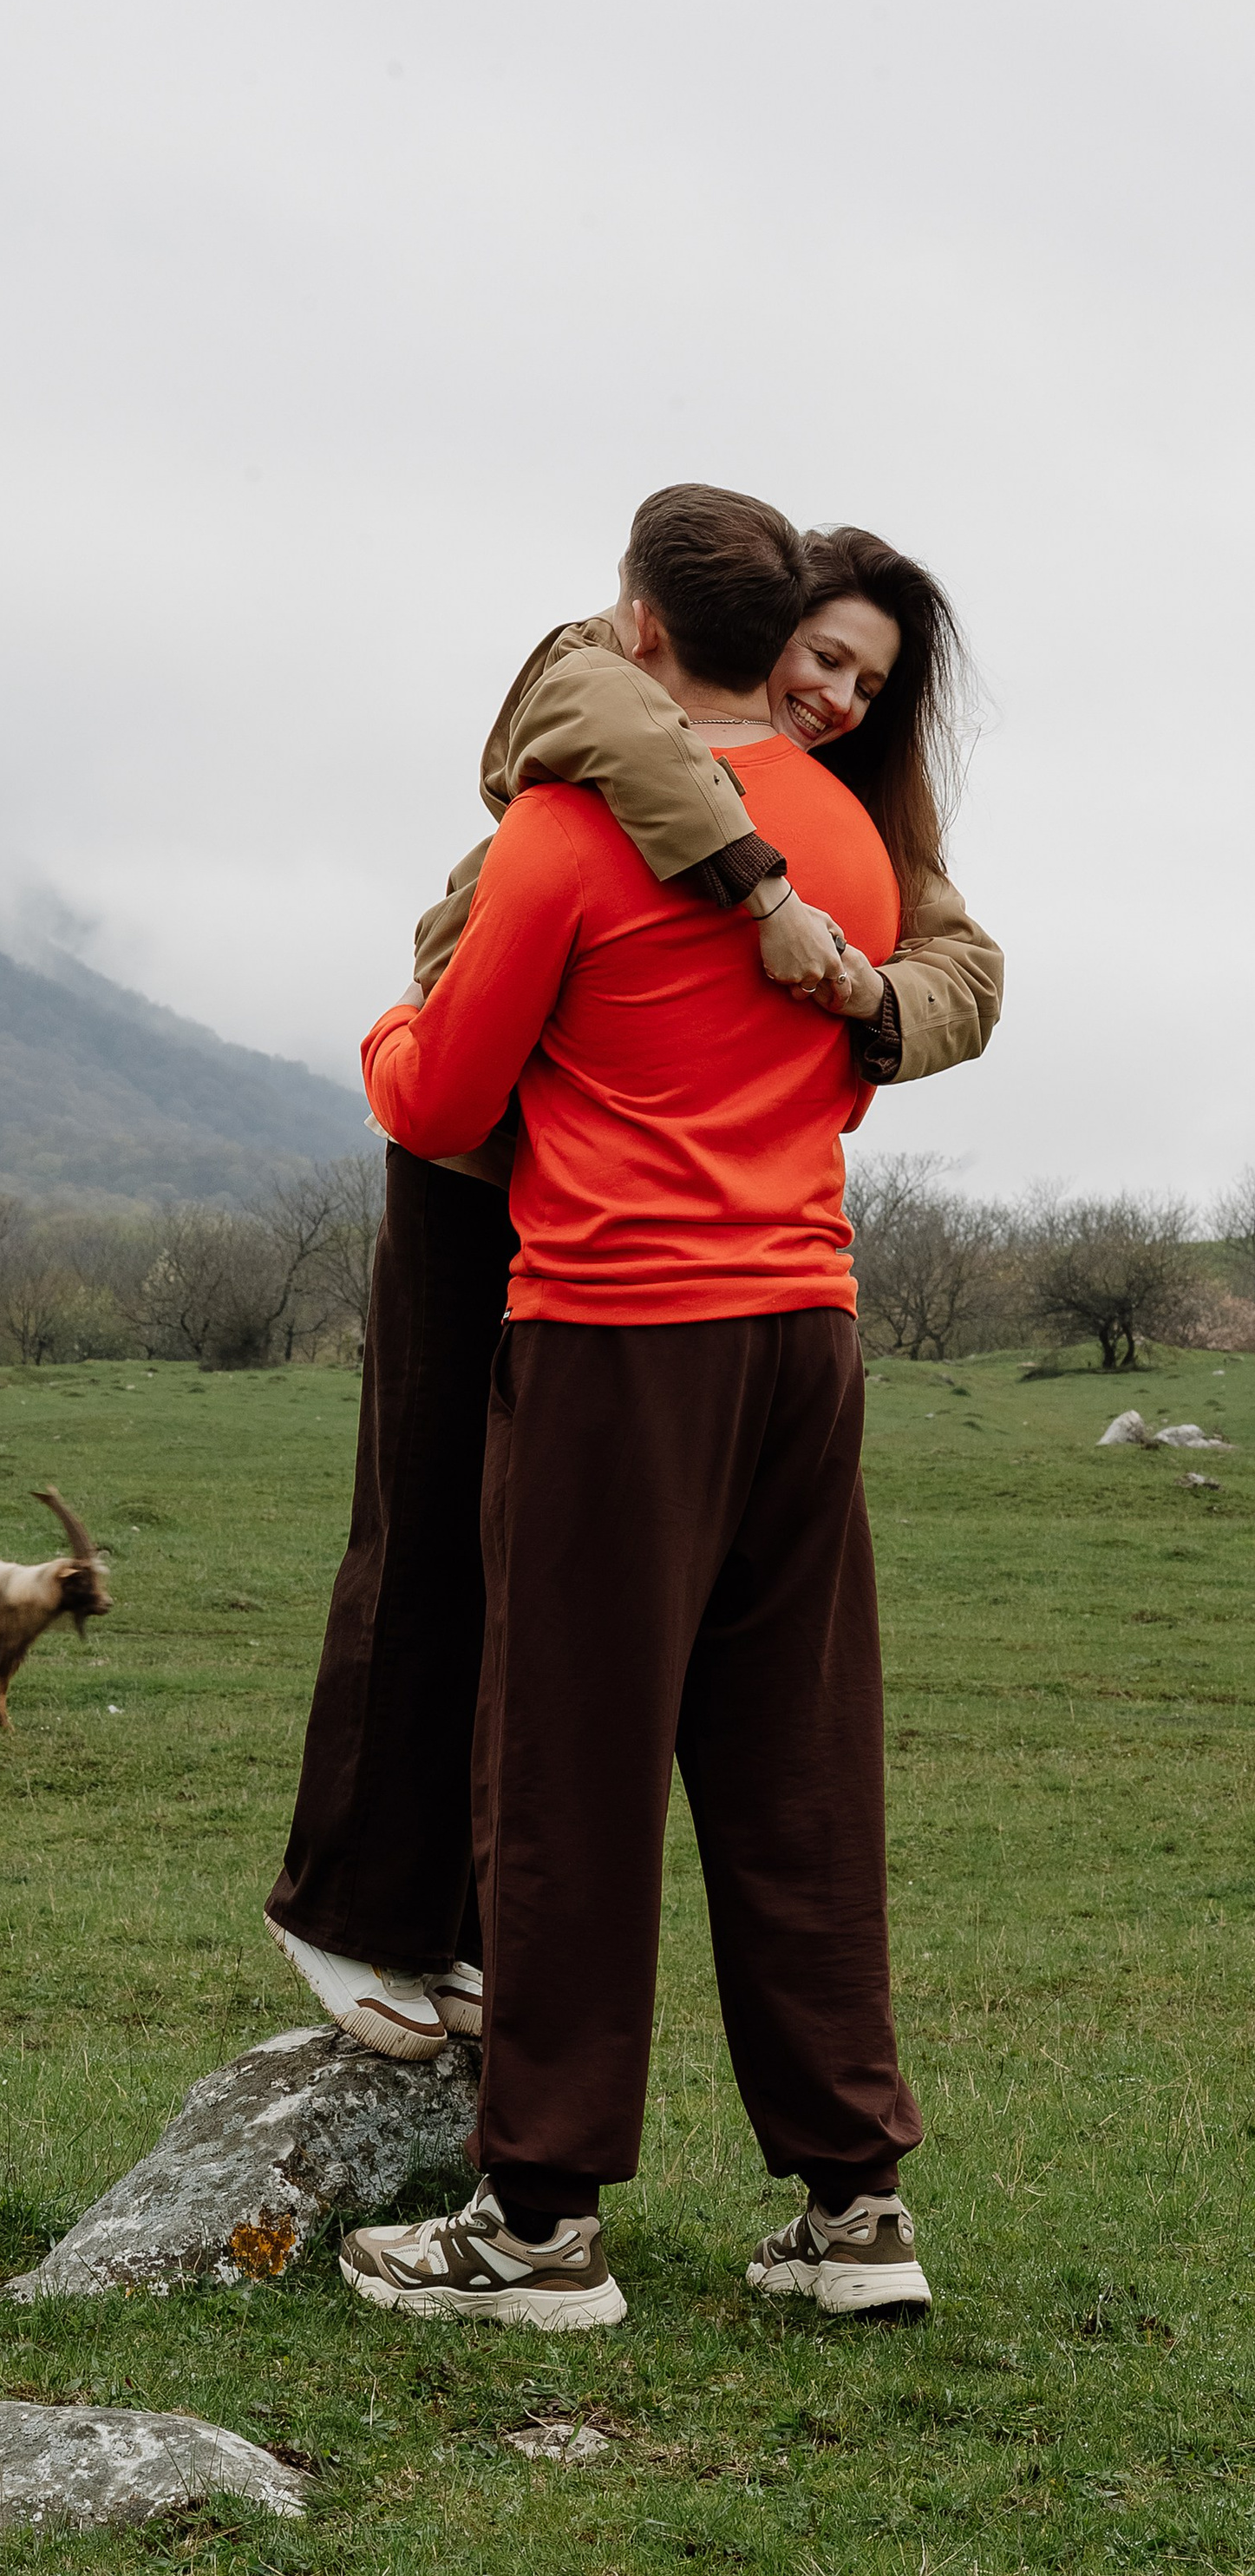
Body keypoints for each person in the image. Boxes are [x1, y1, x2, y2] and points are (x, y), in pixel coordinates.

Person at [265, 517, 999, 2064]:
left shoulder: (855, 821)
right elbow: (590, 724)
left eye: (873, 682)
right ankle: (352, 1909)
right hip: (488, 1163)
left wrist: (866, 997)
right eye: (823, 655)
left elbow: (967, 971)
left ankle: (457, 1934)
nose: (840, 698)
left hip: (654, 1229)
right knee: (424, 1530)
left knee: (543, 1602)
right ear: (754, 631)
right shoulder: (609, 690)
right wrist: (756, 890)